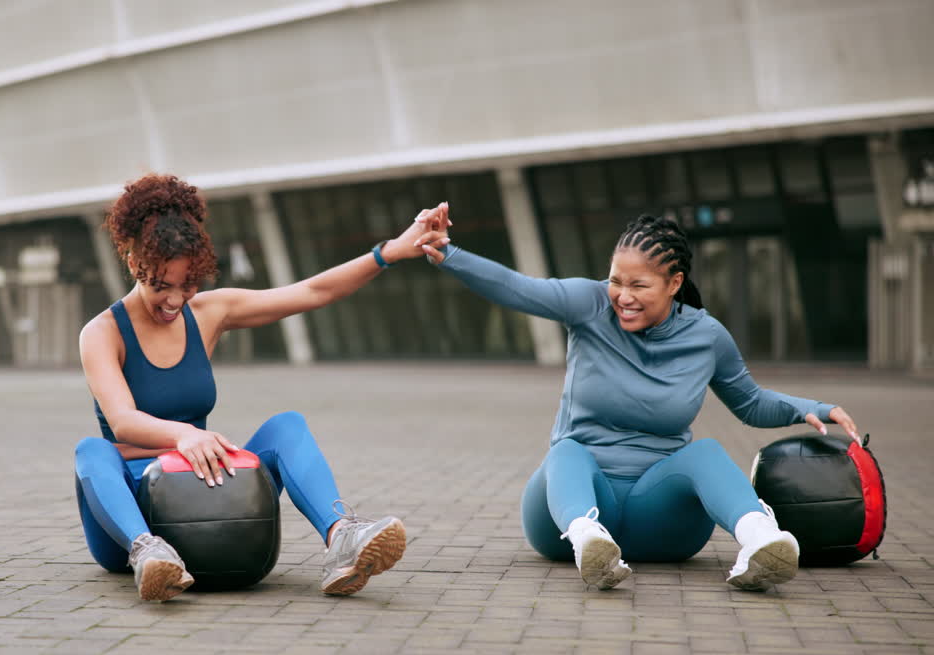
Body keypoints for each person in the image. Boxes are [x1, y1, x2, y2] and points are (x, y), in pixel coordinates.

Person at [404, 210, 861, 591]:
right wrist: (449, 254)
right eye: (615, 281)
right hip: (566, 512)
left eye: (639, 285)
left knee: (704, 452)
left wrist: (814, 408)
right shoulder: (588, 305)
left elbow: (749, 401)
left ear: (674, 283)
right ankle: (589, 543)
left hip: (658, 519)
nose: (623, 296)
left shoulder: (705, 336)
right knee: (565, 450)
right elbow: (518, 287)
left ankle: (761, 540)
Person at [74, 173, 446, 601]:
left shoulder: (210, 312)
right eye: (161, 285)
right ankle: (150, 554)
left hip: (202, 495)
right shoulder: (102, 333)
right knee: (91, 450)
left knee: (287, 426)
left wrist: (390, 252)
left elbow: (312, 292)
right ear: (131, 259)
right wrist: (185, 435)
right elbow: (122, 422)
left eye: (188, 284)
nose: (175, 300)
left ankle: (342, 536)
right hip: (130, 515)